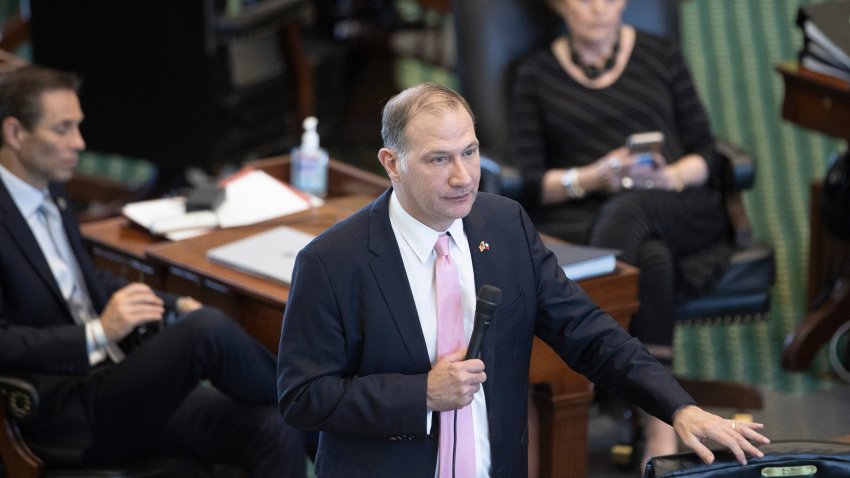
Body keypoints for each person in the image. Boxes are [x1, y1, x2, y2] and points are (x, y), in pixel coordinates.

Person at [276, 82, 769, 477]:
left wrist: (679, 408)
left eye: (469, 152)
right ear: (392, 165)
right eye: (439, 159)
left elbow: (588, 334)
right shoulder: (331, 262)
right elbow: (303, 397)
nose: (464, 177)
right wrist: (421, 394)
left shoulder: (506, 225)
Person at [0, 65, 307, 477]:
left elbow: (85, 282)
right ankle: (325, 411)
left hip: (114, 380)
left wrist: (172, 303)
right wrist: (95, 333)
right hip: (62, 411)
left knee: (273, 428)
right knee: (206, 332)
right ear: (15, 134)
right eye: (63, 129)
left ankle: (315, 415)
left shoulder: (50, 190)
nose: (80, 143)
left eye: (79, 127)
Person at [509, 0, 732, 464]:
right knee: (649, 259)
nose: (597, 8)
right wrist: (594, 176)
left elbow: (707, 155)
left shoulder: (661, 55)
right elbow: (531, 182)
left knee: (630, 212)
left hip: (677, 203)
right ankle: (660, 426)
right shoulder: (534, 73)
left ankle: (592, 367)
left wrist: (668, 177)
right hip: (584, 211)